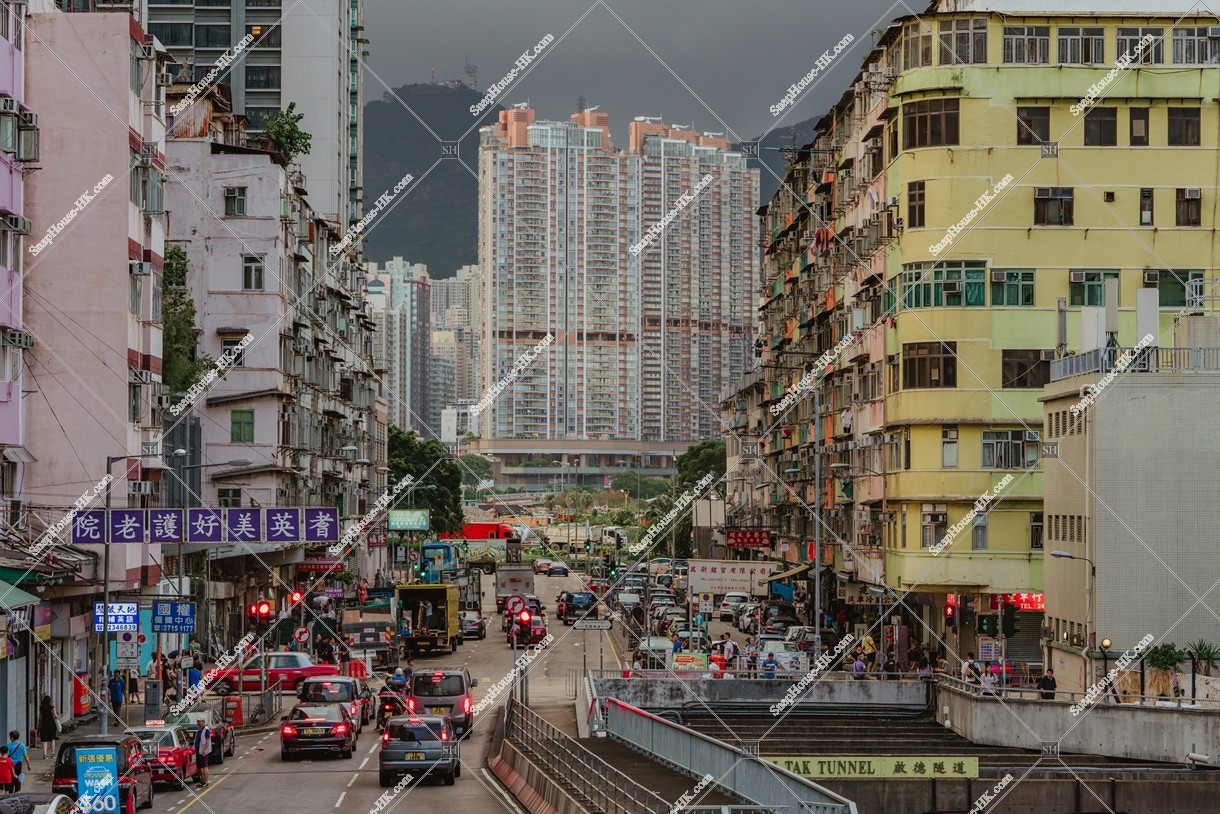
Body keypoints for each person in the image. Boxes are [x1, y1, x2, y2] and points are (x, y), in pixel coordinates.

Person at [193, 716, 211, 788]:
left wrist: (205, 749)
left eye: (199, 721)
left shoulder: (206, 729)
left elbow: (208, 740)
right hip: (198, 750)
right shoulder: (199, 729)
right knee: (200, 767)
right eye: (197, 721)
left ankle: (206, 781)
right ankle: (202, 780)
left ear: (203, 722)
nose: (198, 723)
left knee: (204, 766)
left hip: (203, 750)